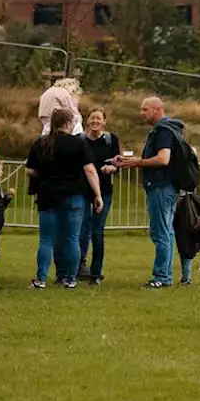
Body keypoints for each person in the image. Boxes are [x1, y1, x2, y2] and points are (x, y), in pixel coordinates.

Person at [114, 97, 189, 288]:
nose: (142, 113)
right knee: (166, 231)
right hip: (165, 186)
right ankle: (165, 275)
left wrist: (136, 162)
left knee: (161, 232)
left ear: (157, 110)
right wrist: (130, 160)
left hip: (161, 186)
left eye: (145, 109)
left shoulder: (163, 131)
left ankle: (162, 277)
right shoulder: (168, 129)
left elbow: (163, 159)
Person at [24, 108, 102, 290]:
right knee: (72, 237)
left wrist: (45, 174)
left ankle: (41, 278)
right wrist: (97, 194)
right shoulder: (78, 144)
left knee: (46, 239)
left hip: (48, 195)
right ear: (68, 123)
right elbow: (90, 170)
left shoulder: (42, 143)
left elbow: (29, 170)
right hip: (74, 195)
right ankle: (70, 278)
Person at [77, 109, 120, 283]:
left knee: (97, 232)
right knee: (81, 231)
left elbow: (118, 161)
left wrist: (112, 168)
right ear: (87, 121)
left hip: (104, 191)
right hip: (82, 191)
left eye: (98, 118)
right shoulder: (79, 141)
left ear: (104, 122)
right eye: (92, 118)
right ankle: (79, 266)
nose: (95, 121)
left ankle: (96, 273)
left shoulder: (111, 140)